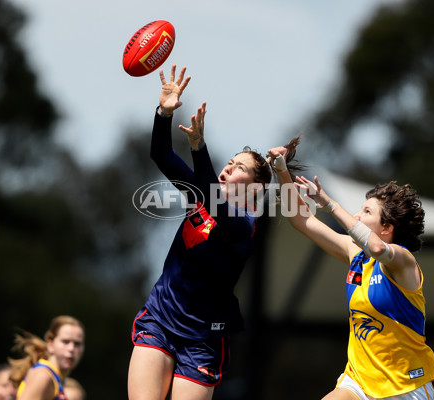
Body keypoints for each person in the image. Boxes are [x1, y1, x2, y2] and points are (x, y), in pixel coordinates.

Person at [127, 64, 302, 400]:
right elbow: (161, 154)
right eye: (229, 163)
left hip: (203, 338)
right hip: (160, 319)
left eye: (238, 169)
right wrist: (163, 113)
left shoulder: (245, 225)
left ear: (255, 188)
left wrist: (198, 147)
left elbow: (213, 198)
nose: (227, 169)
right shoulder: (203, 193)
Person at [266, 147, 434, 400]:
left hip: (405, 385)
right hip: (359, 380)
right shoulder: (355, 253)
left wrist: (332, 206)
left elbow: (377, 248)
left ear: (386, 228)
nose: (357, 216)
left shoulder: (403, 261)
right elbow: (300, 219)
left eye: (367, 212)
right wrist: (282, 170)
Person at [8, 315, 85, 400]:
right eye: (65, 342)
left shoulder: (55, 378)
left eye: (77, 344)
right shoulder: (43, 375)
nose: (71, 349)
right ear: (50, 344)